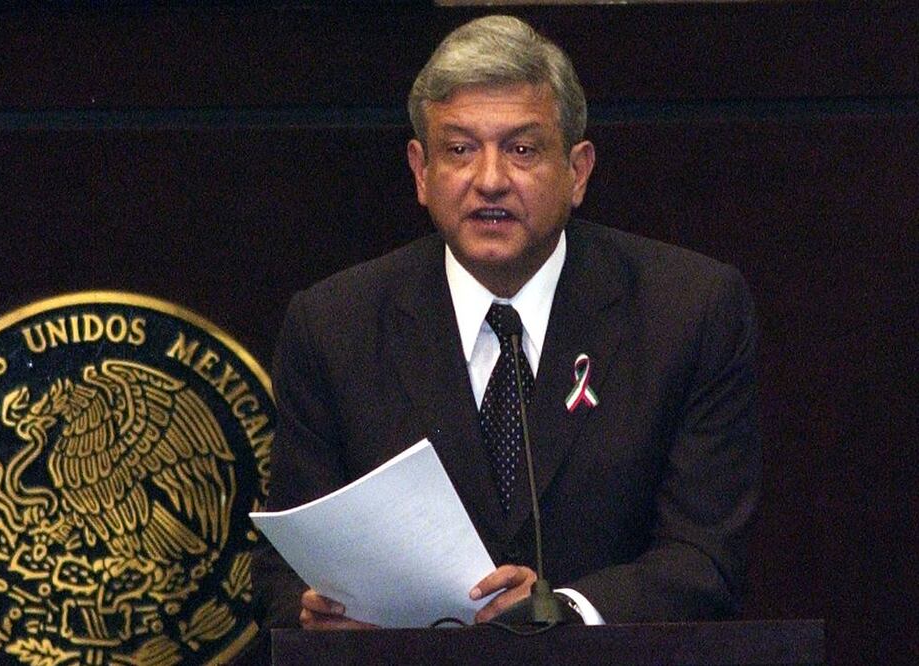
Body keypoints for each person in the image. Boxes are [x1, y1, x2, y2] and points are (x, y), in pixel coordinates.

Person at [252, 14, 760, 630]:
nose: (490, 181)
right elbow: (282, 572)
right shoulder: (335, 325)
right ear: (421, 172)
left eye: (522, 150)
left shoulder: (689, 310)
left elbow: (705, 560)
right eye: (460, 150)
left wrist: (561, 611)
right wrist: (317, 612)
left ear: (577, 171)